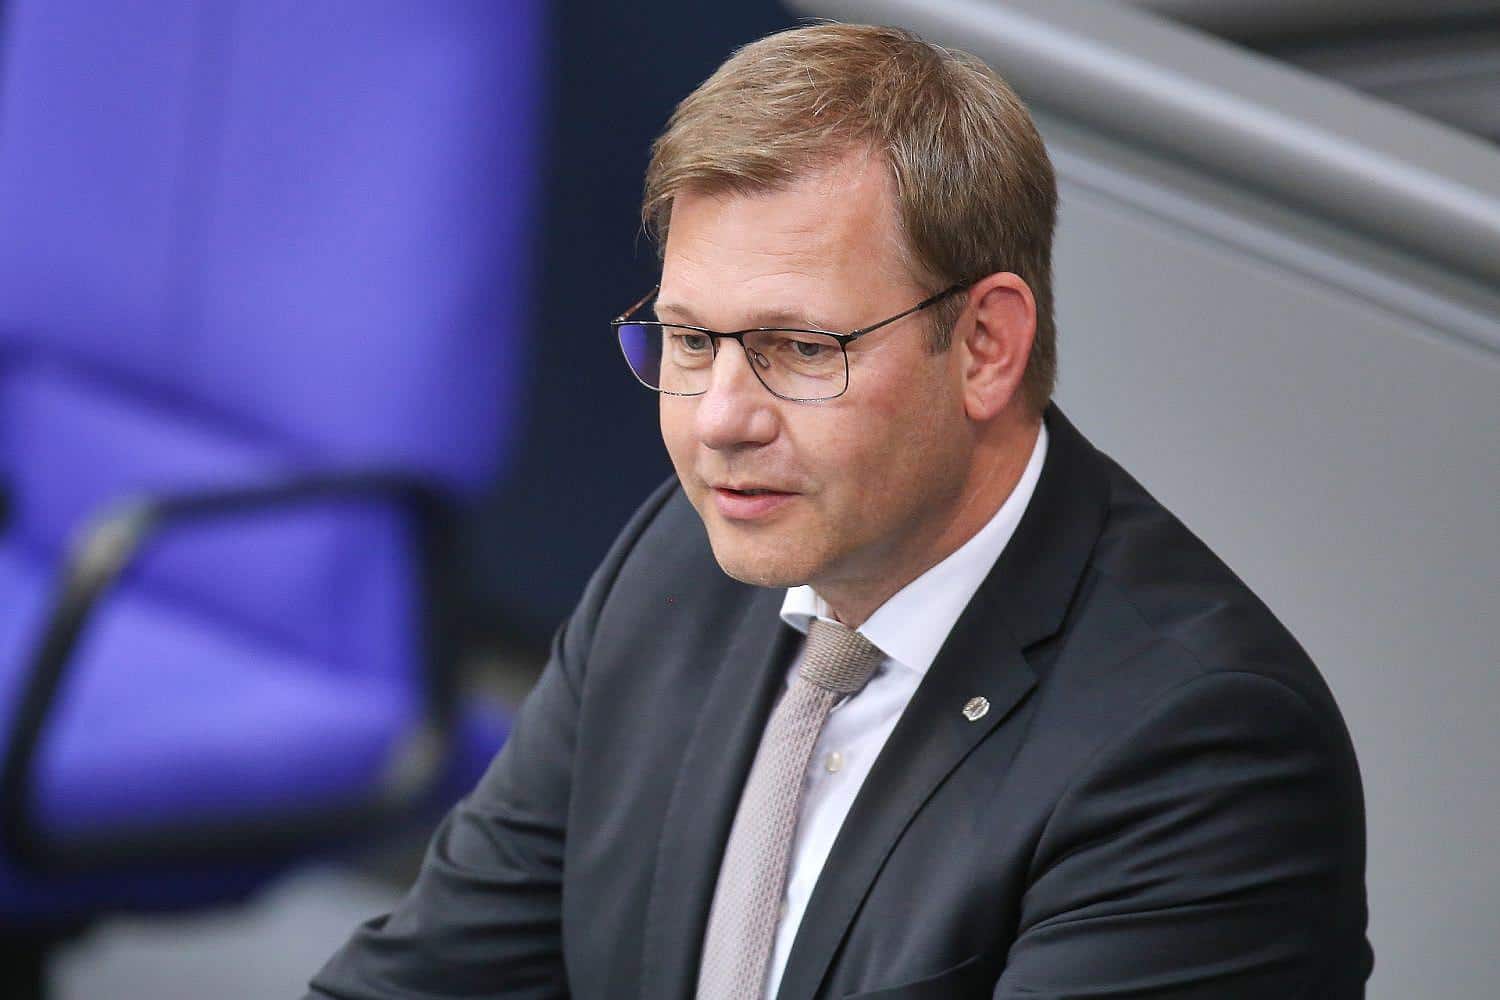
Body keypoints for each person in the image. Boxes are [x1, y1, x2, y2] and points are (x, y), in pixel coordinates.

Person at [306, 23, 1371, 999]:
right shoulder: (678, 564)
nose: (720, 420)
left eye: (799, 349)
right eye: (691, 341)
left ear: (986, 346)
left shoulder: (1200, 748)